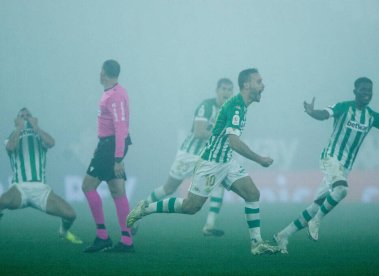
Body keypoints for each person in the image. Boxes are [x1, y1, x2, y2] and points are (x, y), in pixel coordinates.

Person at [127, 68, 279, 255]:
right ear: (246, 85)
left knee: (253, 194)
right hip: (211, 162)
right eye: (259, 82)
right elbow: (233, 141)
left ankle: (256, 243)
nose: (263, 86)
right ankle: (145, 209)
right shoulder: (235, 107)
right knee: (191, 206)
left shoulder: (240, 105)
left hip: (227, 161)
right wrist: (259, 159)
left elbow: (228, 140)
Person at [274, 77, 379, 254]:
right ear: (355, 91)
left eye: (369, 91)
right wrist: (312, 112)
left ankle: (282, 235)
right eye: (363, 90)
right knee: (342, 190)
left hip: (345, 167)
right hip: (331, 158)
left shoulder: (372, 116)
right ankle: (316, 221)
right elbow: (325, 114)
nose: (366, 93)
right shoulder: (344, 107)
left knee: (316, 205)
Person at [144, 78, 234, 237]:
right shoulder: (206, 106)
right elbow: (199, 133)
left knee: (219, 184)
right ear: (217, 91)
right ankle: (140, 212)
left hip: (208, 158)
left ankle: (209, 226)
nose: (226, 93)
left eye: (229, 90)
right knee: (168, 189)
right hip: (189, 154)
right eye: (224, 89)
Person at [0, 108, 82, 244]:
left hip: (41, 189)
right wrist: (19, 127)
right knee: (2, 201)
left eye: (28, 115)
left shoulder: (39, 136)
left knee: (70, 214)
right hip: (19, 188)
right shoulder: (11, 136)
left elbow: (51, 142)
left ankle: (63, 232)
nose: (25, 118)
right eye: (22, 116)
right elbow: (10, 147)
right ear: (17, 119)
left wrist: (36, 127)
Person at [82, 59, 134, 253]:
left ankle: (102, 236)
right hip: (109, 145)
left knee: (87, 186)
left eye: (100, 71)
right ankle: (127, 239)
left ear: (104, 74)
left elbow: (120, 128)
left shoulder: (115, 96)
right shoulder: (115, 92)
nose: (99, 74)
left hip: (111, 146)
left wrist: (118, 158)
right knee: (117, 190)